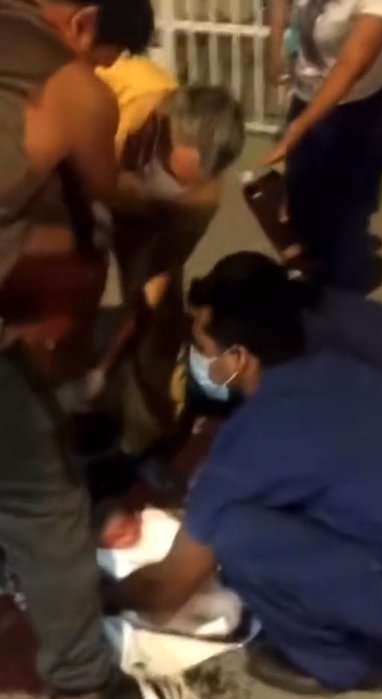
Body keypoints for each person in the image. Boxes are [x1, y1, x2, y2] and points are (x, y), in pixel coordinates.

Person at [105, 260, 382, 694]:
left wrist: (98, 596)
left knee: (237, 534)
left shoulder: (255, 437)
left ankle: (348, 664)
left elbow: (167, 591)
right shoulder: (341, 371)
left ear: (239, 358)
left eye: (203, 346)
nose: (200, 359)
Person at [0, 1, 154, 697]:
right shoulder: (71, 88)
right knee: (42, 501)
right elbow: (106, 191)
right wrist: (155, 191)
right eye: (102, 58)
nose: (99, 71)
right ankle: (83, 679)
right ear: (85, 23)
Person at [88, 84, 245, 455]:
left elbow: (154, 282)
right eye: (178, 172)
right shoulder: (133, 115)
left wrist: (103, 366)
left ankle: (143, 428)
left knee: (155, 323)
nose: (184, 183)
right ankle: (104, 406)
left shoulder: (199, 202)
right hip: (108, 197)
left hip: (147, 216)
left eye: (192, 180)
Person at [188, 252, 382, 433]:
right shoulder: (297, 315)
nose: (197, 357)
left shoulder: (320, 372)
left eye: (202, 348)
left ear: (241, 354)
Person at [266, 0, 382, 292]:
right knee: (301, 204)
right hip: (309, 97)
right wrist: (274, 46)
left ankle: (345, 297)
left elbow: (352, 63)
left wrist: (300, 127)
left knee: (345, 216)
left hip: (367, 107)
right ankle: (311, 284)